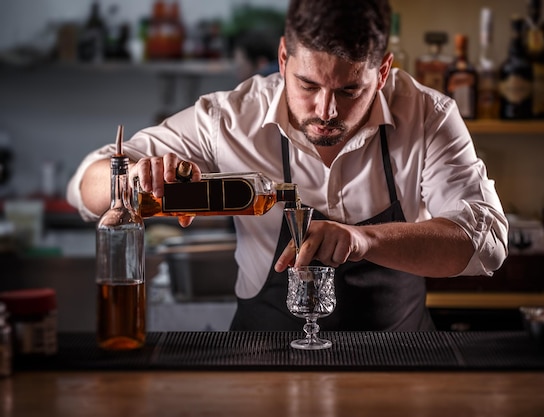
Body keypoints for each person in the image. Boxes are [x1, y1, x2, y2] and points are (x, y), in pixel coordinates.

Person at [67, 0, 508, 331]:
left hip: (399, 369)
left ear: (384, 72)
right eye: (307, 84)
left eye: (350, 90)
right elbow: (84, 187)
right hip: (260, 366)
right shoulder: (229, 118)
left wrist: (363, 239)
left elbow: (486, 241)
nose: (326, 110)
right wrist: (131, 179)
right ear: (283, 59)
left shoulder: (428, 116)